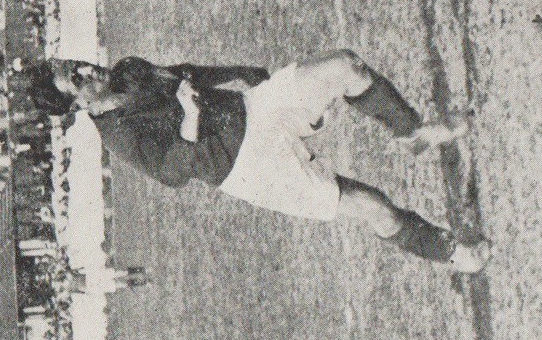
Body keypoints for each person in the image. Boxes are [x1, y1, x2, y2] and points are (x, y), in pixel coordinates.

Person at [27, 52, 490, 271]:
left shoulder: (128, 69)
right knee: (374, 207)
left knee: (348, 67)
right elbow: (172, 172)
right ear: (77, 106)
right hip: (249, 168)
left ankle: (413, 133)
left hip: (252, 110)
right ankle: (453, 252)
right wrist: (190, 117)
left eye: (78, 63)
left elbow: (189, 74)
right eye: (77, 78)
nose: (88, 70)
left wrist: (237, 74)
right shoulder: (118, 136)